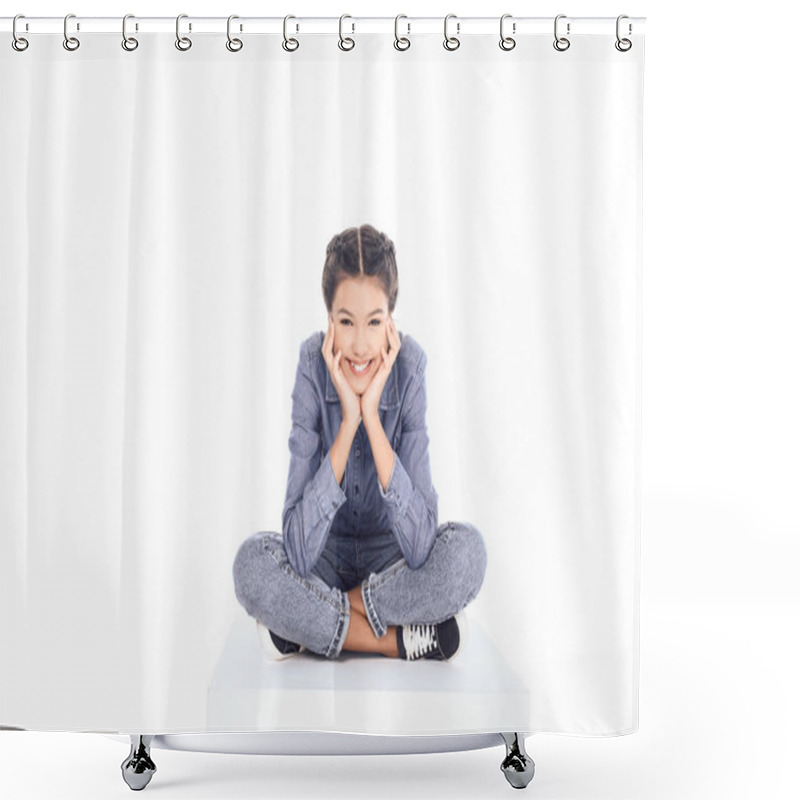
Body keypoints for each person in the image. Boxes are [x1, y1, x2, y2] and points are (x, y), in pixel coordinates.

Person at [233, 224, 487, 661]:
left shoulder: (409, 366)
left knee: (467, 553)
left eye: (374, 322)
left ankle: (308, 625)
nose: (360, 345)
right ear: (328, 319)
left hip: (392, 563)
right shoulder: (312, 365)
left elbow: (421, 544)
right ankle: (394, 641)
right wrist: (348, 420)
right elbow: (297, 548)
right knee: (252, 563)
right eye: (346, 322)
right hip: (323, 558)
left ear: (391, 319)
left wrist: (371, 414)